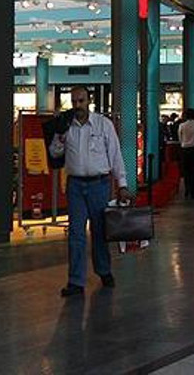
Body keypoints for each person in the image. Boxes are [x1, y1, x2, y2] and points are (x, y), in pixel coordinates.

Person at [47, 85, 132, 297]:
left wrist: (122, 184)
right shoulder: (66, 126)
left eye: (81, 101)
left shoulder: (104, 125)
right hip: (75, 185)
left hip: (99, 184)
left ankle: (104, 271)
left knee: (100, 230)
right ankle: (76, 281)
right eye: (74, 101)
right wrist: (59, 134)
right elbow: (55, 153)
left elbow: (115, 155)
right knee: (76, 233)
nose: (77, 105)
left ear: (89, 101)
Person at [178, 109, 194, 199]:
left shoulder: (182, 126)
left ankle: (187, 189)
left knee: (186, 171)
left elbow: (180, 138)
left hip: (185, 150)